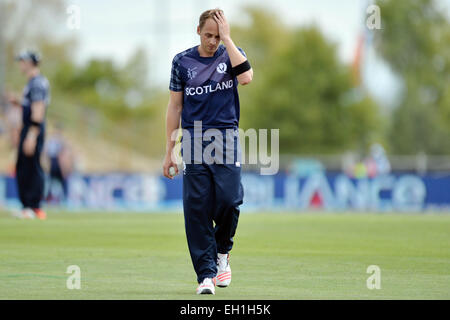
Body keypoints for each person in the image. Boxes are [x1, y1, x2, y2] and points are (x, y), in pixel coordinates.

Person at [163, 9, 253, 295]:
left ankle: (222, 251)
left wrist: (228, 39)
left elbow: (247, 77)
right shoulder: (182, 61)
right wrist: (169, 150)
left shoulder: (230, 53)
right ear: (198, 31)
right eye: (208, 35)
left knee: (229, 200)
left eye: (218, 35)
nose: (213, 41)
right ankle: (205, 275)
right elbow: (175, 106)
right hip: (193, 139)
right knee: (197, 207)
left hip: (225, 137)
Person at [10, 50, 50, 219]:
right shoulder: (33, 82)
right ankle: (27, 206)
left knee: (31, 166)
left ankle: (33, 207)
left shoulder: (37, 83)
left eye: (22, 61)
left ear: (30, 63)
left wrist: (32, 135)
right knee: (24, 166)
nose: (20, 64)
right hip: (30, 128)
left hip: (33, 129)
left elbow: (38, 109)